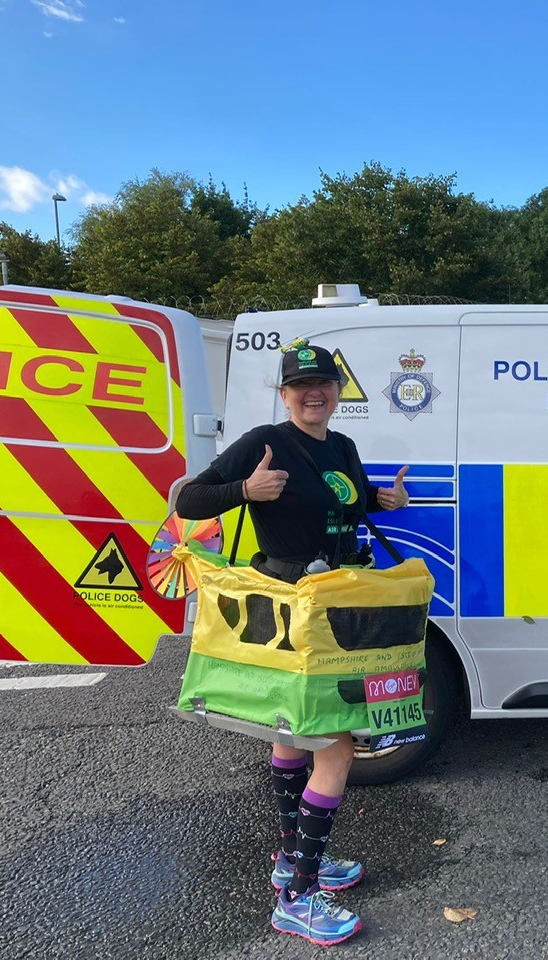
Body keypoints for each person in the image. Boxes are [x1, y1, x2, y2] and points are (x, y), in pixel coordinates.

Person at [176, 341, 411, 945]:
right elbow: (188, 498)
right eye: (301, 386)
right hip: (290, 601)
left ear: (338, 391)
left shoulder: (343, 447)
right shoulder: (264, 440)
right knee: (333, 748)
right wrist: (244, 493)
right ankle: (299, 897)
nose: (314, 394)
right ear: (284, 395)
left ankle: (290, 861)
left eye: (324, 384)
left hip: (336, 601)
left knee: (292, 733)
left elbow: (346, 506)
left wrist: (381, 500)